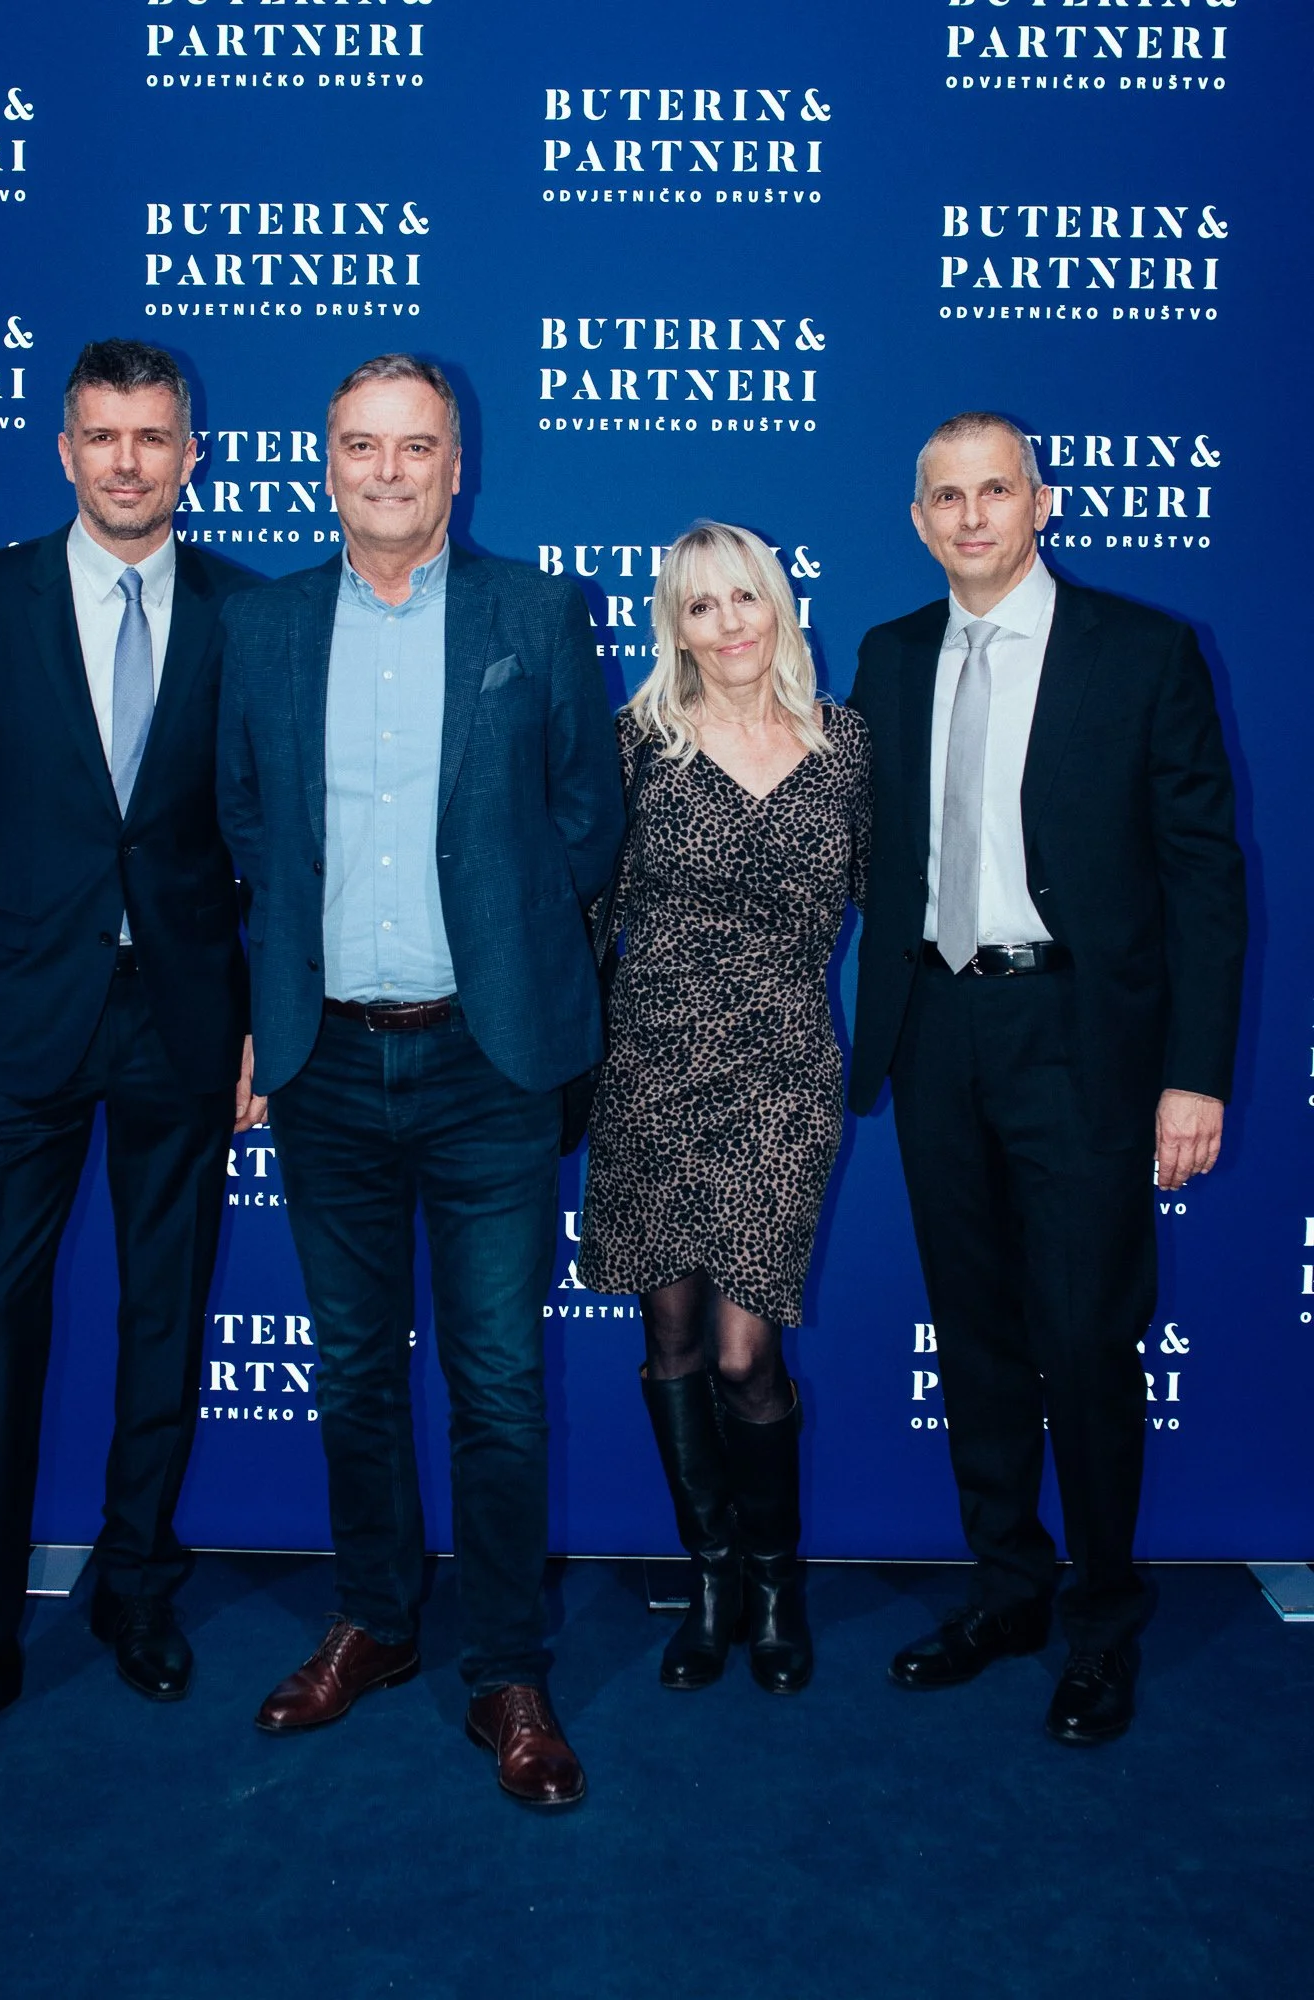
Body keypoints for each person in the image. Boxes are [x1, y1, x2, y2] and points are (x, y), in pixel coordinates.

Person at [217, 353, 622, 1809]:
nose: (388, 470)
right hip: (326, 1060)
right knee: (348, 1369)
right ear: (326, 463)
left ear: (461, 467)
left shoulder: (537, 613)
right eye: (361, 447)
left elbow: (588, 817)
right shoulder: (262, 629)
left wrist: (505, 946)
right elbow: (245, 823)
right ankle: (379, 1623)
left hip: (488, 1060)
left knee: (501, 1383)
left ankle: (507, 1669)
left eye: (416, 447)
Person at [0, 339, 260, 1785]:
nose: (125, 461)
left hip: (182, 1018)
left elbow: (266, 842)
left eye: (152, 437)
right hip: (22, 1022)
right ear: (63, 451)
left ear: (191, 455)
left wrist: (258, 1026)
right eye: (101, 436)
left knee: (165, 1315)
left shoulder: (244, 612)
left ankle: (138, 1588)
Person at [849, 412, 1246, 1744]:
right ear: (918, 519)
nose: (971, 516)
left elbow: (1205, 879)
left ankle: (1102, 1620)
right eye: (945, 496)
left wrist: (1193, 1076)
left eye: (995, 490)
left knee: (1084, 1340)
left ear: (1042, 501)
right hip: (934, 1033)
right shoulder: (889, 658)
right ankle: (1007, 1589)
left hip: (1082, 1036)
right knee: (977, 1335)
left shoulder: (1140, 653)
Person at [578, 523, 870, 1695]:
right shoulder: (638, 744)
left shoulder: (845, 744)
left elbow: (900, 903)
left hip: (786, 1066)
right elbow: (587, 914)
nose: (729, 623)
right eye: (701, 607)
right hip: (651, 1061)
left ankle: (775, 1575)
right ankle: (710, 1580)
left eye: (745, 597)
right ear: (675, 625)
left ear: (779, 605)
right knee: (673, 1339)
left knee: (750, 1350)